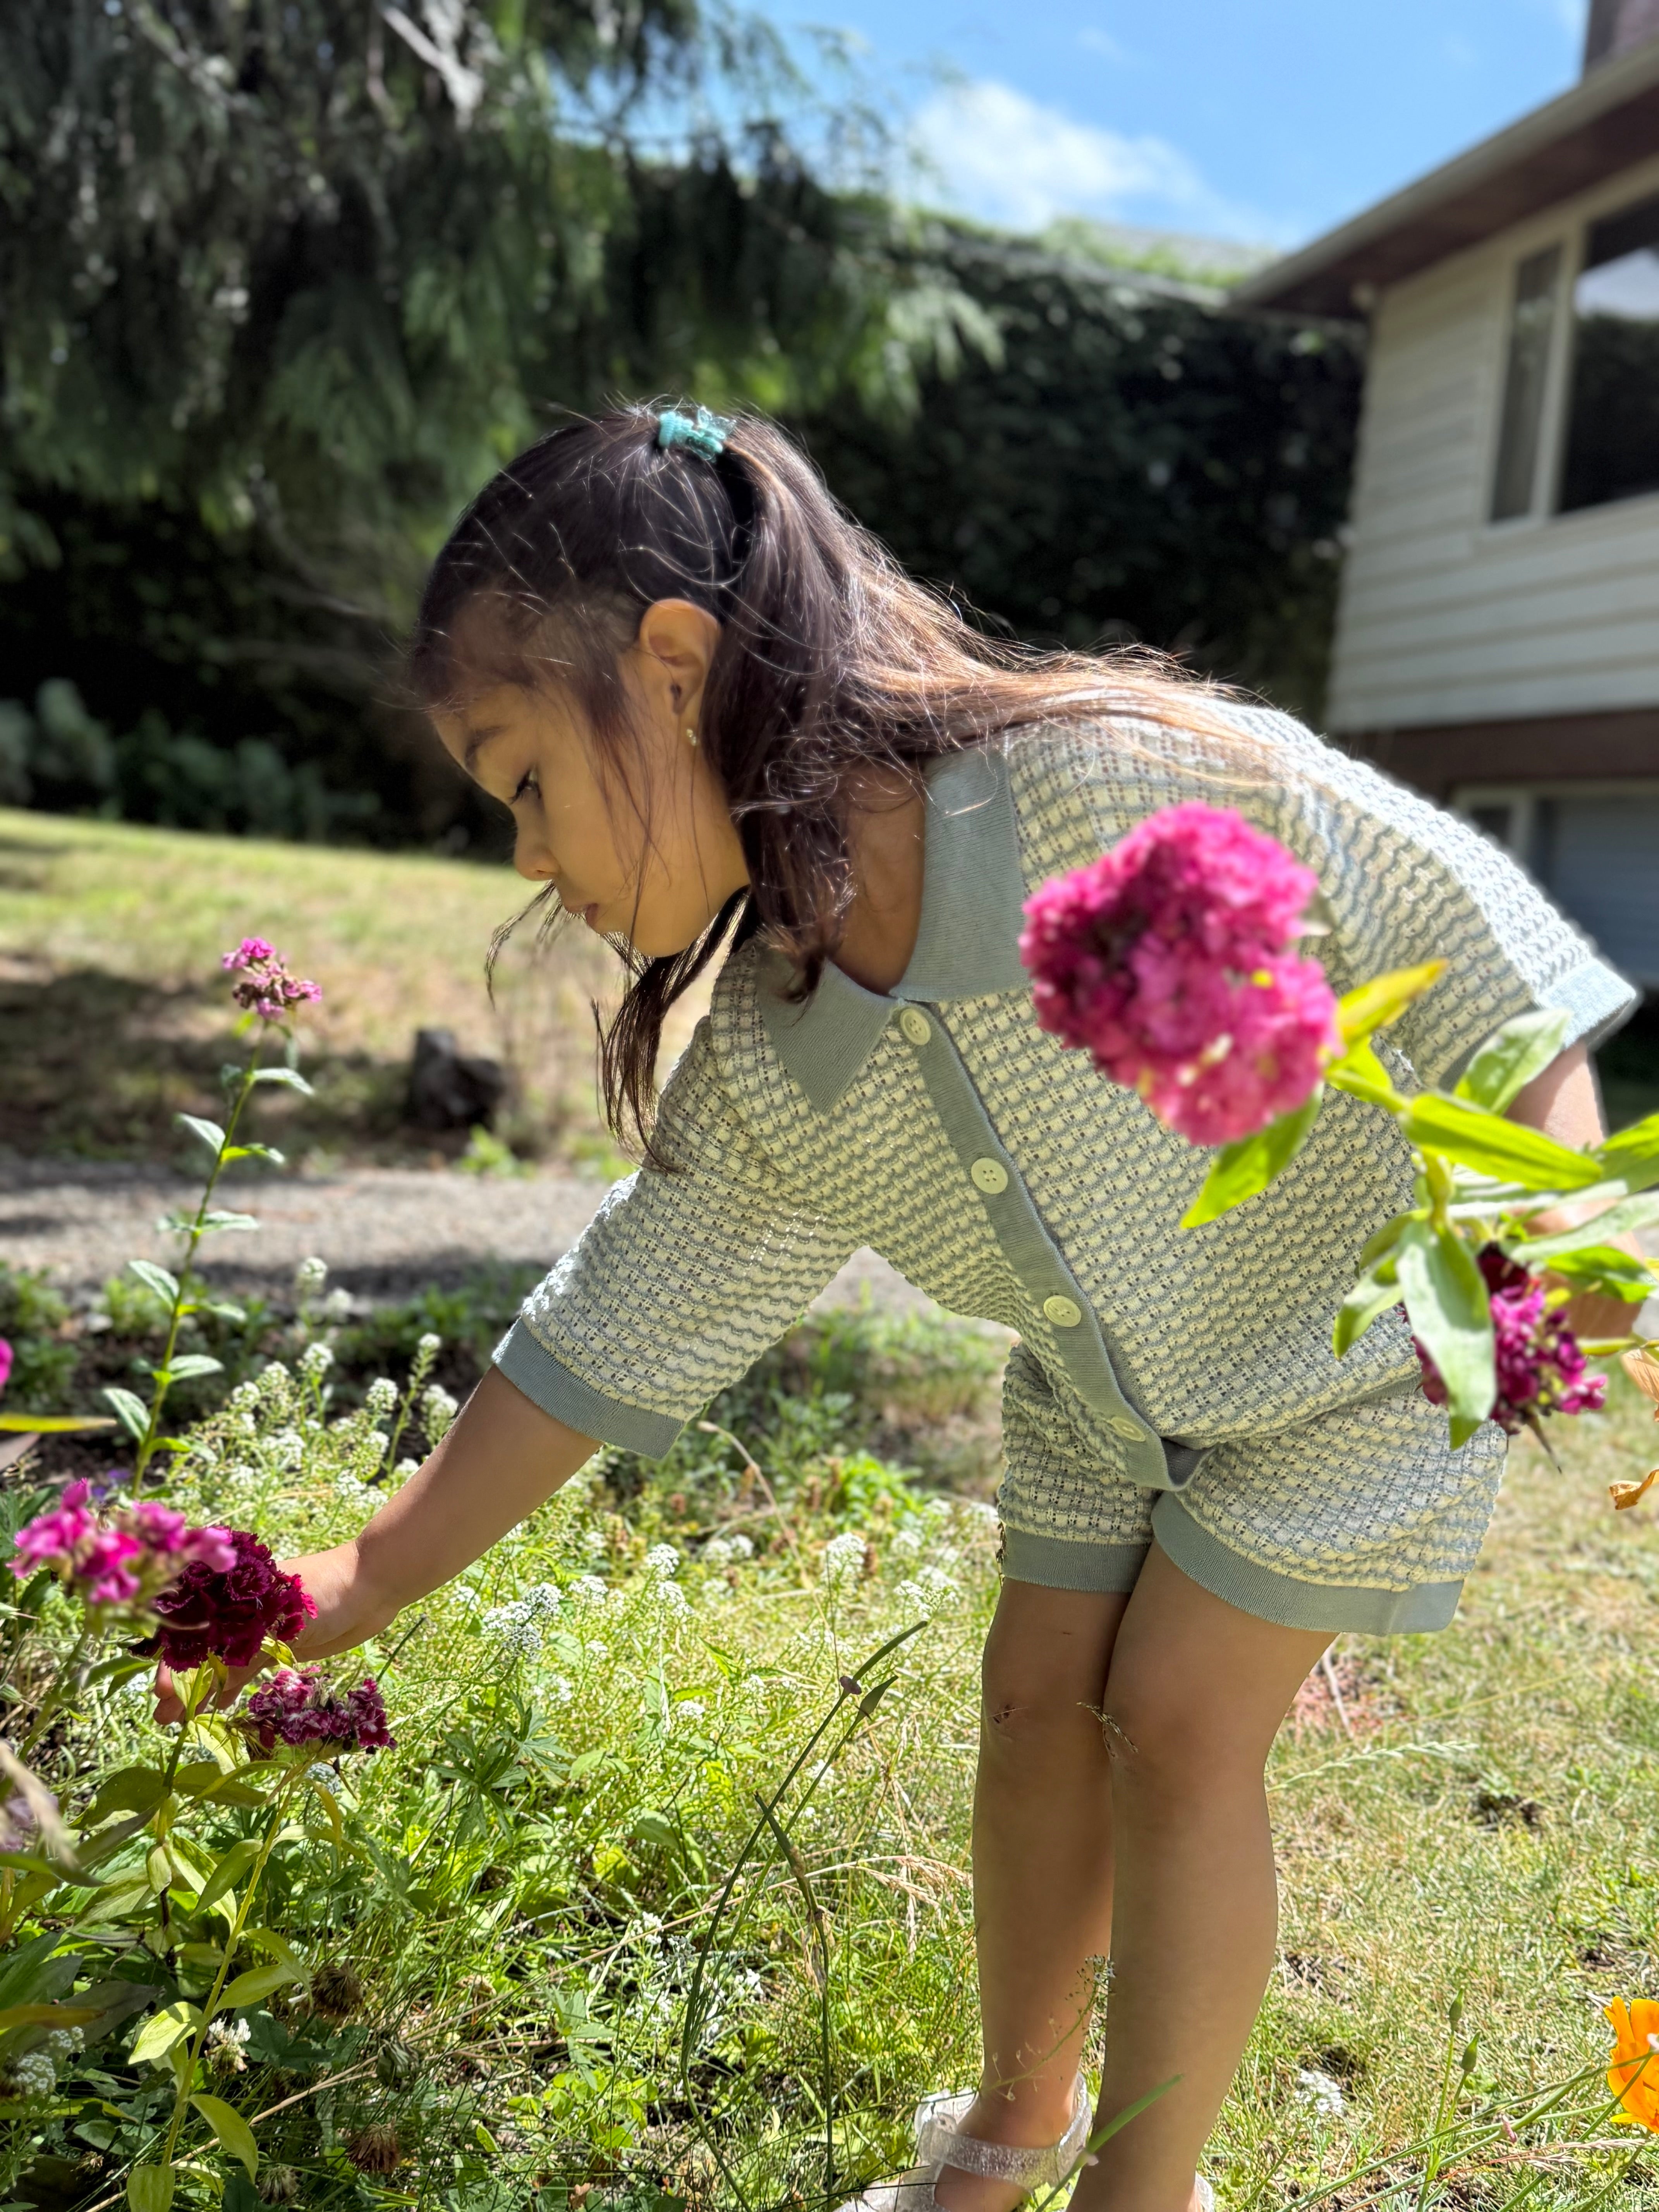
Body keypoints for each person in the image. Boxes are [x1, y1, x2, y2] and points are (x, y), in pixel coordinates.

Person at [157, 404, 1637, 2212]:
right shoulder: (780, 1049)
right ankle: (1012, 2130)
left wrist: (1553, 1226)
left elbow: (1458, 926)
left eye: (525, 780)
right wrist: (378, 1570)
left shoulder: (1106, 792)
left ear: (675, 669)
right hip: (1114, 1395)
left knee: (1176, 1717)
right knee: (1037, 1704)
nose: (528, 856)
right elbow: (619, 1318)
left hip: (1361, 1354)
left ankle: (1143, 2197)